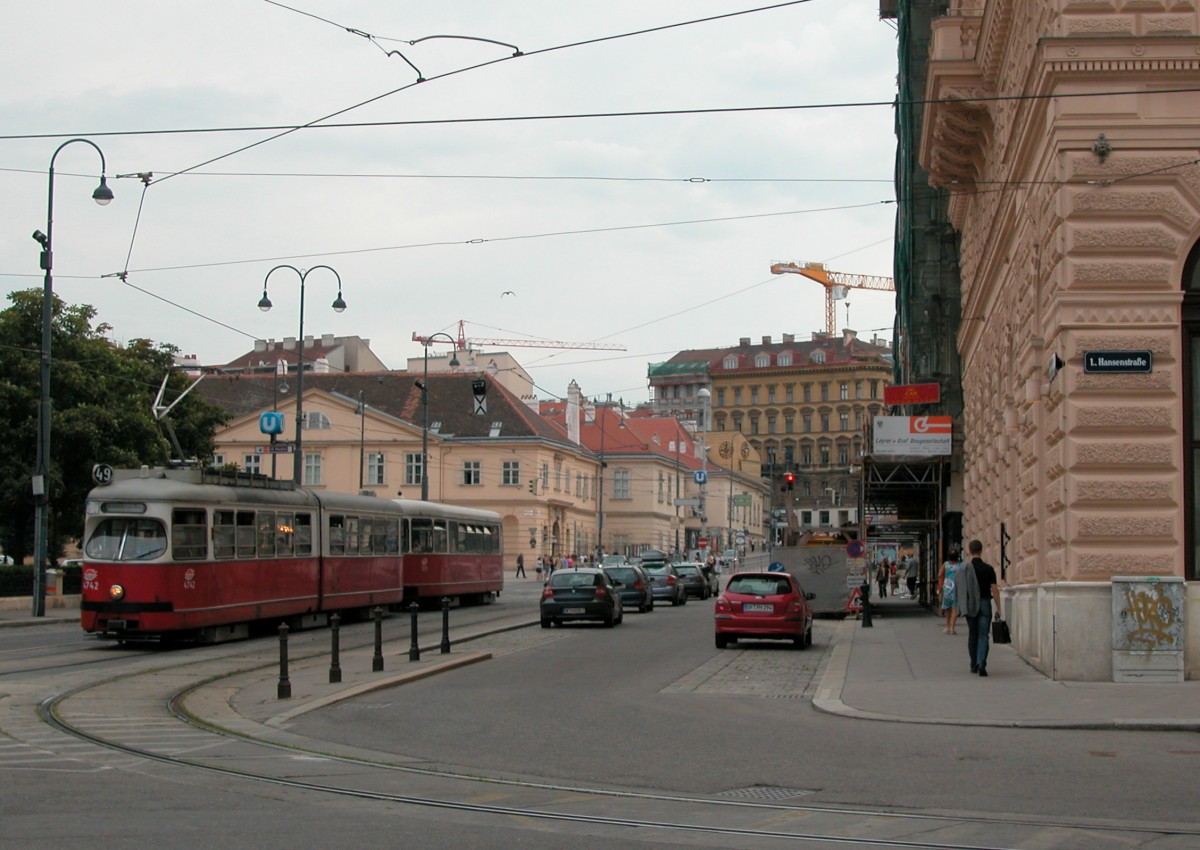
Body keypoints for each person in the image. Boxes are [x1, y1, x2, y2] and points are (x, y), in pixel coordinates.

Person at [958, 538, 1001, 676]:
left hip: (971, 604)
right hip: (985, 603)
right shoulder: (988, 569)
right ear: (981, 551)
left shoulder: (965, 569)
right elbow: (994, 589)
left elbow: (961, 588)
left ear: (969, 551)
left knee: (973, 634)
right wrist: (998, 608)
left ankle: (973, 664)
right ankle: (982, 662)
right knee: (983, 635)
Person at [938, 548, 961, 634]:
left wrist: (940, 586)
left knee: (947, 608)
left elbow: (940, 574)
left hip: (947, 587)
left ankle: (947, 626)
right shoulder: (960, 565)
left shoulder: (946, 564)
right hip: (956, 588)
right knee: (955, 608)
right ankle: (952, 627)